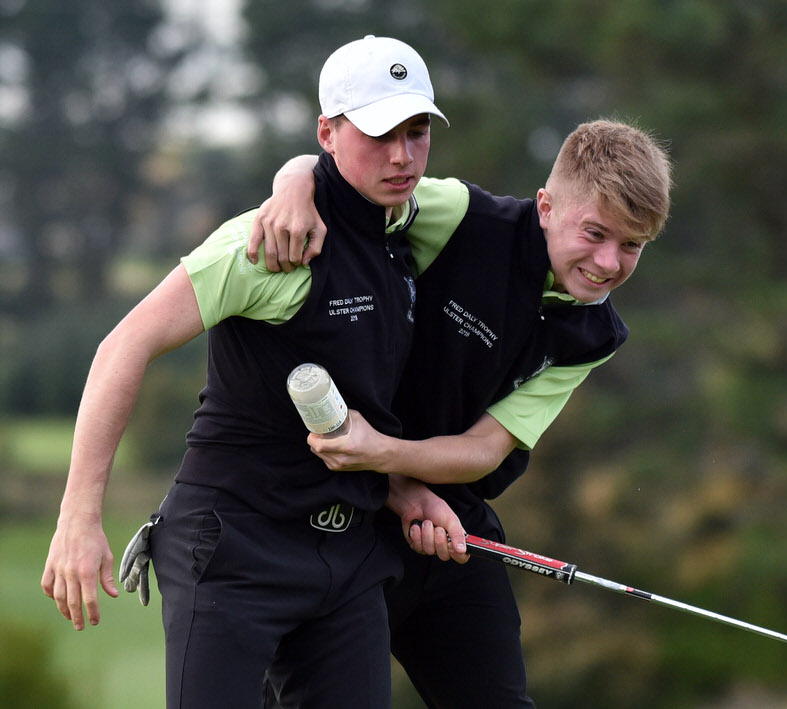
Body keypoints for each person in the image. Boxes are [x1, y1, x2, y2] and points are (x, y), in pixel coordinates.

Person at [40, 34, 464, 709]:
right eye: (381, 133)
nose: (403, 155)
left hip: (347, 559)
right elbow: (123, 345)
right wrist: (77, 515)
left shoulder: (406, 225)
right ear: (329, 132)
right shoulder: (268, 244)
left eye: (417, 133)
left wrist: (402, 487)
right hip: (234, 551)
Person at [251, 118, 673, 708]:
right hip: (334, 511)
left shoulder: (595, 333)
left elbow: (485, 449)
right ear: (546, 206)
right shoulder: (460, 214)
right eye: (596, 233)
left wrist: (388, 459)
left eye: (632, 245)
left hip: (451, 523)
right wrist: (293, 181)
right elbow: (341, 185)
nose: (608, 262)